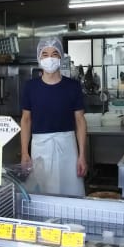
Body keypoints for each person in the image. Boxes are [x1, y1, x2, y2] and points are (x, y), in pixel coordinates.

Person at [20, 36, 87, 197]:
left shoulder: (73, 86)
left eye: (54, 53)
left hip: (68, 147)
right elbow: (26, 120)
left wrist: (82, 155)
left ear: (61, 57)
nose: (50, 58)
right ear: (39, 58)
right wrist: (24, 152)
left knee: (71, 190)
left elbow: (80, 120)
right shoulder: (30, 87)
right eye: (45, 54)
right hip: (40, 146)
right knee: (43, 191)